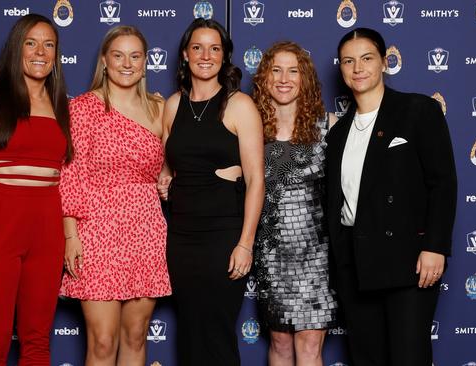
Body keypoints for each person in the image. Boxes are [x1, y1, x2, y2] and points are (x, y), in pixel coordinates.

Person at [325, 27, 457, 366]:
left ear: (384, 62)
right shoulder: (338, 132)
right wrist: (340, 261)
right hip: (356, 264)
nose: (358, 68)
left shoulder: (418, 110)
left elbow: (443, 183)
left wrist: (435, 246)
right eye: (349, 61)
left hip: (408, 261)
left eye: (367, 58)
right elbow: (338, 199)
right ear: (340, 68)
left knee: (408, 357)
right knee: (367, 358)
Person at [0, 14, 72, 365]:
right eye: (31, 43)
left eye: (49, 44)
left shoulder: (59, 103)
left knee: (37, 342)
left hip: (47, 231)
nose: (40, 52)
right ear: (16, 47)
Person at [58, 25, 171, 366]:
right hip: (96, 230)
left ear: (145, 63)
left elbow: (166, 165)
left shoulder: (158, 109)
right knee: (103, 342)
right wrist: (70, 234)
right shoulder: (83, 108)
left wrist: (166, 176)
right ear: (104, 61)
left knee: (136, 336)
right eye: (118, 55)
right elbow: (70, 174)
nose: (126, 64)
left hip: (145, 228)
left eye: (135, 56)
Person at [158, 18, 264, 365]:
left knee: (217, 332)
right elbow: (168, 163)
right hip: (182, 236)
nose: (206, 55)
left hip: (223, 234)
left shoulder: (239, 106)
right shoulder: (172, 105)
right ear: (185, 55)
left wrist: (245, 243)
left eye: (215, 48)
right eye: (198, 47)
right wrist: (164, 178)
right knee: (189, 330)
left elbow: (255, 180)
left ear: (225, 57)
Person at [251, 41, 338, 366]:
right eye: (276, 70)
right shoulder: (252, 129)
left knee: (310, 346)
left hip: (317, 255)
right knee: (280, 343)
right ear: (264, 78)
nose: (284, 78)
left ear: (305, 79)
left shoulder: (329, 126)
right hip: (272, 255)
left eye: (293, 71)